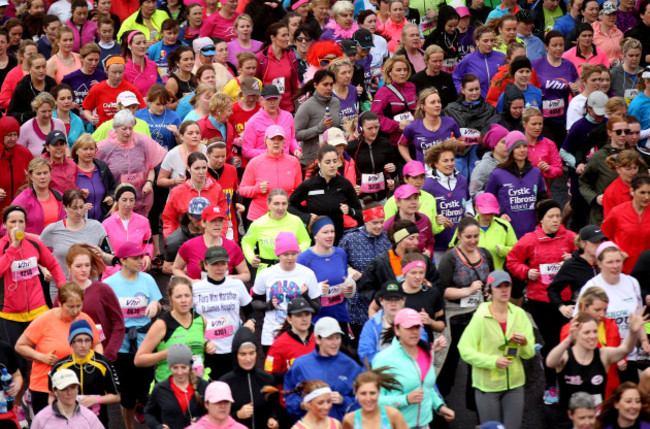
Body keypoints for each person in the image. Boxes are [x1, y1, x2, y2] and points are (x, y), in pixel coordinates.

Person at [506, 200, 577, 405]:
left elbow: (591, 255)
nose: (555, 220)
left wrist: (573, 257)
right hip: (540, 300)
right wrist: (527, 272)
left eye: (557, 216)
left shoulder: (571, 238)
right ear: (541, 220)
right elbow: (512, 261)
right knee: (555, 341)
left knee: (564, 342)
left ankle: (544, 354)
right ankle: (551, 387)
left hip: (565, 300)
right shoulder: (530, 240)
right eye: (551, 217)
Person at [458, 270, 535, 429]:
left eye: (507, 286)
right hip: (487, 387)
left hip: (514, 384)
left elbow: (529, 354)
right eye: (499, 286)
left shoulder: (519, 314)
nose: (504, 290)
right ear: (490, 289)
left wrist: (525, 342)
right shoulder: (481, 317)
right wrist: (493, 361)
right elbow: (464, 349)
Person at [547, 310, 649, 428]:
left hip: (595, 422)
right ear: (577, 334)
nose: (592, 336)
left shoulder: (603, 355)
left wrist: (633, 333)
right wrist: (568, 339)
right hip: (569, 421)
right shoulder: (565, 356)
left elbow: (625, 349)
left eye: (595, 331)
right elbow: (550, 362)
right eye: (587, 332)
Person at [14, 282, 101, 414]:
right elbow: (20, 346)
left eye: (79, 306)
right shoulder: (44, 319)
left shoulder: (84, 319)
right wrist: (41, 357)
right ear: (60, 303)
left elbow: (97, 344)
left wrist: (96, 363)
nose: (75, 311)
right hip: (45, 386)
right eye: (70, 307)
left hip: (76, 385)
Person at [104, 241, 162, 429]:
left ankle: (144, 408)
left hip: (144, 343)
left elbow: (158, 303)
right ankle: (130, 426)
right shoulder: (109, 284)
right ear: (122, 260)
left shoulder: (147, 280)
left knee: (146, 389)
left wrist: (155, 305)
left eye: (141, 256)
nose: (141, 260)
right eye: (135, 258)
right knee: (126, 394)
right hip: (121, 344)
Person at [575, 242, 650, 382]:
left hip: (629, 354)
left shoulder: (632, 283)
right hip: (600, 356)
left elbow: (637, 319)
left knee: (629, 400)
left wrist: (644, 341)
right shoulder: (591, 287)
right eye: (610, 262)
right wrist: (611, 354)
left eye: (618, 261)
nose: (615, 266)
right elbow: (580, 324)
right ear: (599, 263)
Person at [437, 217, 494, 397]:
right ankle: (442, 403)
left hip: (479, 320)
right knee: (449, 362)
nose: (472, 241)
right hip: (455, 321)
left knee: (477, 365)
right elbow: (441, 291)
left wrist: (489, 292)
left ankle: (476, 406)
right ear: (459, 236)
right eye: (468, 237)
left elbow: (490, 281)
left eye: (476, 236)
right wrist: (467, 291)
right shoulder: (450, 258)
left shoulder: (485, 255)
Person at [372, 308, 455, 428]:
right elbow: (373, 399)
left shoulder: (426, 353)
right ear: (397, 330)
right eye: (409, 327)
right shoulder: (383, 360)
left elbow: (426, 387)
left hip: (423, 424)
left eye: (417, 327)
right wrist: (405, 399)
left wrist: (440, 407)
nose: (414, 332)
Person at [192, 246, 255, 379]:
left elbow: (250, 311)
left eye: (223, 264)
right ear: (205, 265)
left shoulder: (236, 285)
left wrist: (251, 321)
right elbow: (186, 319)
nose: (220, 268)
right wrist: (202, 342)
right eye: (215, 264)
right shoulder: (196, 289)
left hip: (234, 349)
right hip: (208, 350)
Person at [283, 317, 363, 421]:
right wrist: (301, 404)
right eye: (329, 338)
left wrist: (343, 401)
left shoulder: (351, 366)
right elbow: (289, 396)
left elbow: (363, 400)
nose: (335, 343)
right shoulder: (300, 365)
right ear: (317, 339)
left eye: (337, 337)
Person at [252, 232, 321, 351]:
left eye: (294, 254)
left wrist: (305, 297)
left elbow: (317, 307)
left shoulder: (308, 274)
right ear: (278, 254)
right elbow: (254, 303)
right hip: (272, 334)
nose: (290, 258)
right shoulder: (266, 274)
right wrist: (268, 305)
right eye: (286, 254)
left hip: (300, 333)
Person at [49, 319, 120, 427]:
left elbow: (117, 396)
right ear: (71, 343)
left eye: (87, 340)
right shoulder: (60, 366)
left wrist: (95, 399)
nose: (83, 345)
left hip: (97, 422)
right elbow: (52, 396)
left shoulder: (103, 364)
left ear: (92, 342)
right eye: (79, 340)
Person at [96, 110, 167, 217]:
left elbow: (151, 165)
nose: (128, 132)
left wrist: (149, 182)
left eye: (130, 128)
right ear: (115, 128)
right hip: (116, 202)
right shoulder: (104, 147)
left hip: (141, 199)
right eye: (124, 129)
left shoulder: (143, 142)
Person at [289, 145, 363, 244]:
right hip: (315, 240)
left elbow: (360, 212)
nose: (332, 165)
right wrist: (306, 216)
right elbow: (289, 205)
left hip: (338, 239)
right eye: (328, 162)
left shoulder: (345, 184)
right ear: (319, 163)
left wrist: (350, 211)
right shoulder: (309, 185)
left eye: (335, 161)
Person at [560, 287, 623, 399]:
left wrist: (622, 360)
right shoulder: (569, 331)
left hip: (611, 390)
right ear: (584, 307)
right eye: (597, 310)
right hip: (584, 392)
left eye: (605, 310)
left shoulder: (612, 325)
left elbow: (618, 350)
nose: (602, 314)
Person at [485, 131, 547, 238]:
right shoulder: (498, 173)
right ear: (510, 150)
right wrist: (499, 215)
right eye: (517, 147)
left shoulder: (536, 172)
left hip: (532, 233)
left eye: (524, 146)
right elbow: (487, 200)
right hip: (506, 232)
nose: (522, 150)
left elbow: (542, 200)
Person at [40, 189, 112, 281]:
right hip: (62, 288)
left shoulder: (96, 227)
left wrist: (103, 255)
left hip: (90, 287)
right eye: (74, 208)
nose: (78, 212)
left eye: (81, 207)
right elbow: (35, 253)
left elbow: (111, 259)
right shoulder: (53, 230)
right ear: (65, 207)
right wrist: (45, 269)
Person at [219, 327, 279, 429]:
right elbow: (217, 419)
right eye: (243, 354)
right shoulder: (225, 383)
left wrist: (273, 419)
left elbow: (275, 408)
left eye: (251, 353)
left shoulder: (267, 379)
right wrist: (237, 415)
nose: (248, 359)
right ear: (235, 355)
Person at [173, 204, 249, 283]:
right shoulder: (189, 246)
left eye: (220, 220)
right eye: (213, 220)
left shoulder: (232, 246)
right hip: (198, 293)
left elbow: (246, 275)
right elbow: (176, 268)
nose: (217, 224)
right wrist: (191, 282)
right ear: (203, 223)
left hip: (223, 293)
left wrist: (228, 279)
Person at [422, 140, 473, 258]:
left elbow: (468, 201)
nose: (450, 164)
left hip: (461, 244)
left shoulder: (462, 180)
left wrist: (469, 214)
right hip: (438, 246)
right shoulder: (428, 184)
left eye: (452, 159)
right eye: (445, 161)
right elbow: (422, 214)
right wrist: (436, 219)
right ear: (435, 163)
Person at [161, 152, 228, 238]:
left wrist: (220, 237)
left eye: (204, 168)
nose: (201, 172)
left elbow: (224, 216)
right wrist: (170, 241)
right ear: (189, 168)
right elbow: (169, 220)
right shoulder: (177, 192)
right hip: (184, 239)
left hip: (211, 238)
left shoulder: (217, 189)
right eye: (197, 168)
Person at [144, 343, 209, 429]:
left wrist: (201, 421)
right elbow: (148, 413)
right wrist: (157, 426)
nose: (179, 372)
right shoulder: (160, 389)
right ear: (169, 367)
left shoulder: (203, 386)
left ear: (190, 366)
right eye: (175, 368)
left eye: (183, 367)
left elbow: (215, 413)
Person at [532, 30, 578, 146]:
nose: (558, 48)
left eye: (561, 45)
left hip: (562, 119)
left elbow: (577, 95)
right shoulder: (536, 65)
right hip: (542, 119)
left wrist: (576, 90)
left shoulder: (569, 66)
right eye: (554, 45)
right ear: (546, 46)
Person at [547, 225, 605, 317]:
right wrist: (562, 307)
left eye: (601, 241)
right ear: (583, 244)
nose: (599, 245)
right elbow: (552, 290)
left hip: (607, 315)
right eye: (595, 242)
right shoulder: (572, 265)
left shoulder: (607, 262)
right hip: (584, 318)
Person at [398, 88, 462, 166]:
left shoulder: (450, 122)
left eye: (439, 102)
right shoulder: (413, 126)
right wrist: (410, 162)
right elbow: (401, 144)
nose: (437, 105)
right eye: (432, 102)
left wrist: (457, 143)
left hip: (446, 170)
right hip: (424, 173)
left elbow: (462, 146)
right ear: (423, 106)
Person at [601, 175, 650, 274]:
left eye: (649, 193)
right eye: (642, 193)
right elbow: (603, 236)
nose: (647, 197)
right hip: (622, 269)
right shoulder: (617, 212)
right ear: (632, 191)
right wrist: (615, 251)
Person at [241, 85, 301, 164]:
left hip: (285, 164)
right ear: (261, 101)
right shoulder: (253, 122)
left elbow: (292, 139)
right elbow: (246, 151)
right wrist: (269, 152)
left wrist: (296, 150)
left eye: (275, 99)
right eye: (269, 100)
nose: (272, 103)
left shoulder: (288, 117)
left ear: (279, 99)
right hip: (264, 166)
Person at [294, 69, 341, 167]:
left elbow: (337, 125)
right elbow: (296, 134)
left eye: (331, 84)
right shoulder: (306, 106)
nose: (329, 88)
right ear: (315, 85)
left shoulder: (336, 102)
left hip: (332, 160)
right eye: (325, 84)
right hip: (311, 161)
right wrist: (319, 128)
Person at [345, 112, 395, 202]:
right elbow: (347, 171)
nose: (374, 131)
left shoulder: (385, 143)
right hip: (362, 199)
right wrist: (354, 184)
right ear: (361, 129)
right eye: (370, 128)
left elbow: (391, 165)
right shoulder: (351, 147)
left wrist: (391, 176)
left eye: (376, 127)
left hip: (382, 197)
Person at [81, 56, 146, 127]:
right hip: (104, 130)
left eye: (120, 72)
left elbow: (143, 109)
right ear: (106, 70)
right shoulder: (97, 88)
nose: (118, 76)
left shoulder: (130, 88)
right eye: (114, 72)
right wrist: (91, 118)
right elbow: (86, 109)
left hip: (125, 130)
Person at [30, 369, 103, 428]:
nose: (69, 393)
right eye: (64, 389)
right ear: (54, 391)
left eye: (73, 387)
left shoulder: (89, 417)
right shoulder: (41, 418)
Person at [10, 157, 65, 235]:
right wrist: (36, 239)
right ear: (31, 176)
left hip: (58, 245)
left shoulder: (60, 196)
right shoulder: (22, 200)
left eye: (45, 173)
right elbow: (6, 230)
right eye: (38, 174)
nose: (42, 177)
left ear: (50, 174)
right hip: (32, 245)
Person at [370, 56, 416, 149]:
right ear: (390, 72)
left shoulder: (412, 87)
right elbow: (375, 116)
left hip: (413, 139)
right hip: (394, 143)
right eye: (398, 70)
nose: (402, 73)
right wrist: (397, 125)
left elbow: (418, 110)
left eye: (405, 70)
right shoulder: (383, 91)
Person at [255, 23, 300, 114]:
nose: (287, 38)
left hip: (288, 108)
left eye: (288, 35)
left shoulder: (291, 56)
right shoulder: (261, 58)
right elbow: (256, 82)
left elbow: (295, 79)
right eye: (283, 35)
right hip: (268, 109)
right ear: (273, 38)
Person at [341, 368, 409, 429]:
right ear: (356, 394)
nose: (368, 398)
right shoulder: (350, 419)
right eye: (363, 394)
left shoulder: (392, 415)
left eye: (372, 393)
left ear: (378, 393)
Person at [71, 134, 117, 221]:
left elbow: (114, 187)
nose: (89, 152)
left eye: (91, 149)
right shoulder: (70, 170)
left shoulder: (102, 167)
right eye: (85, 149)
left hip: (102, 222)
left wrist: (111, 197)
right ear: (76, 151)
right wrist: (78, 207)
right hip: (78, 222)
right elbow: (63, 197)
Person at [453, 26, 505, 98]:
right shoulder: (468, 60)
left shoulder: (502, 57)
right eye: (485, 41)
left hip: (498, 103)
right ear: (477, 42)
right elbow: (456, 78)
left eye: (492, 40)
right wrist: (462, 92)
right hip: (477, 104)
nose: (489, 44)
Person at [383, 185, 435, 257]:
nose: (413, 202)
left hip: (422, 265)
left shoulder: (425, 220)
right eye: (408, 199)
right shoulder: (389, 225)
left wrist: (429, 252)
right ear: (398, 202)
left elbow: (430, 242)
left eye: (415, 198)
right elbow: (385, 251)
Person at [7, 54, 57, 124]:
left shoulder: (51, 82)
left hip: (50, 122)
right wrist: (32, 114)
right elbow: (10, 114)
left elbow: (57, 104)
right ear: (30, 69)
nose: (41, 70)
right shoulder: (23, 86)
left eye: (44, 67)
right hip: (29, 124)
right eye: (37, 68)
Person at [522, 107, 563, 191]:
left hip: (542, 192)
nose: (538, 127)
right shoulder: (517, 144)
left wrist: (548, 169)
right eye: (534, 124)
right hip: (521, 191)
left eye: (540, 124)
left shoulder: (549, 144)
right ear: (524, 124)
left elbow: (559, 170)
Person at [17, 92, 66, 158]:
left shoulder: (60, 124)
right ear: (36, 110)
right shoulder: (25, 128)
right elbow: (19, 154)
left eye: (50, 111)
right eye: (43, 111)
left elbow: (66, 147)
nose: (47, 115)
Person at [0, 117, 33, 213]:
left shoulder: (24, 153)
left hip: (21, 211)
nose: (13, 139)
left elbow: (34, 176)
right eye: (9, 135)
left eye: (15, 134)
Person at [409, 44, 457, 109]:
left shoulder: (447, 77)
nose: (438, 64)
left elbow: (454, 101)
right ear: (426, 60)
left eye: (440, 61)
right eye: (434, 61)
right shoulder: (416, 79)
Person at [603, 150, 647, 219]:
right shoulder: (611, 193)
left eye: (635, 168)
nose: (633, 172)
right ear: (618, 169)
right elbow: (610, 223)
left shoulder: (645, 186)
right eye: (628, 169)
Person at [611, 37, 642, 104]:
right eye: (631, 56)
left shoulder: (644, 73)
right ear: (624, 55)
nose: (634, 59)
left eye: (637, 55)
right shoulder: (614, 73)